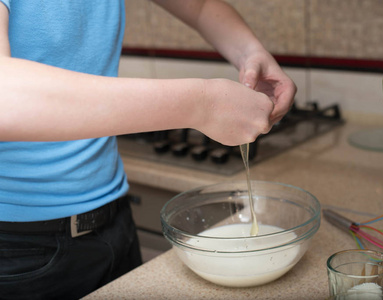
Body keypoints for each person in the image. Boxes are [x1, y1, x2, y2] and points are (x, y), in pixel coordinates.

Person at [0, 0, 296, 299]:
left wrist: (250, 52)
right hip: (18, 248)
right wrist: (201, 105)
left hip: (115, 219)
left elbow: (201, 6)